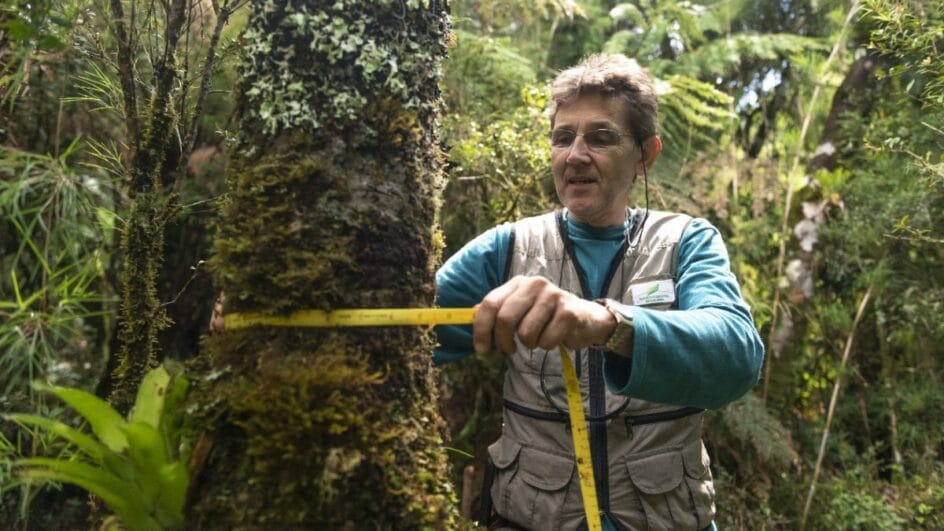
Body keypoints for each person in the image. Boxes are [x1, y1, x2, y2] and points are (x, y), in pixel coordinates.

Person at [435, 53, 765, 531]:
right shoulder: (507, 249)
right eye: (563, 137)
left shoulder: (685, 242)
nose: (575, 155)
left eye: (601, 137)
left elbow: (736, 356)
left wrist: (612, 325)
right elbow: (407, 332)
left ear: (645, 155)